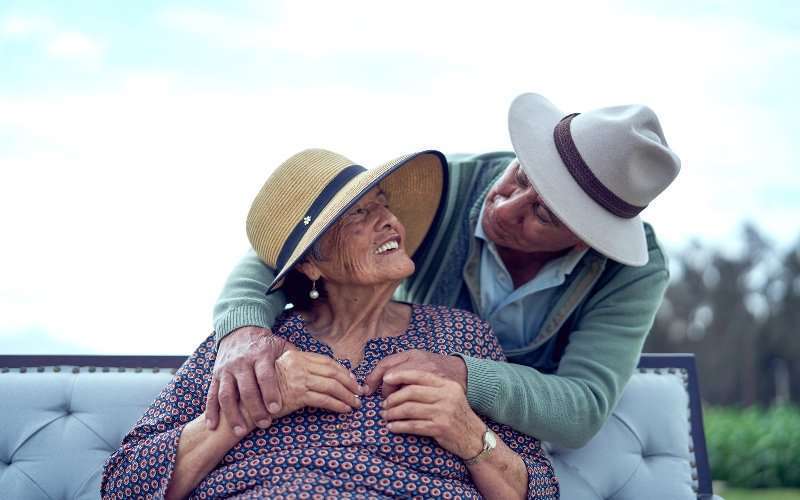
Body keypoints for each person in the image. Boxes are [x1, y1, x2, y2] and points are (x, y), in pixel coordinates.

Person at [207, 93, 681, 449]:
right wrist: (243, 331)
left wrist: (462, 374)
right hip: (406, 426)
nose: (505, 205)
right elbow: (290, 244)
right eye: (521, 176)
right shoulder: (438, 187)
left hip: (501, 449)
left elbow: (581, 408)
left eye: (543, 215)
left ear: (585, 239)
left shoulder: (629, 273)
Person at [102, 149, 559, 499]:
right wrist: (253, 405)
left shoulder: (460, 337)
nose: (387, 220)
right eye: (358, 214)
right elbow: (124, 484)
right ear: (311, 265)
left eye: (383, 204)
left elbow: (537, 489)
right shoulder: (251, 350)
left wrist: (467, 432)